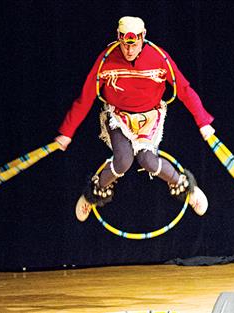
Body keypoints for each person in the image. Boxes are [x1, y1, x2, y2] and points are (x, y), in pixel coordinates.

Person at [55, 16, 216, 222]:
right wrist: (67, 132)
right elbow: (86, 97)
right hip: (118, 116)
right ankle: (91, 195)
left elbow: (184, 89)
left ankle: (188, 189)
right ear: (118, 38)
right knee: (123, 160)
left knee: (148, 160)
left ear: (143, 37)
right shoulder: (107, 59)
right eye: (124, 45)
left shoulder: (159, 58)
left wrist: (202, 121)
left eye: (134, 45)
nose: (129, 50)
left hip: (149, 117)